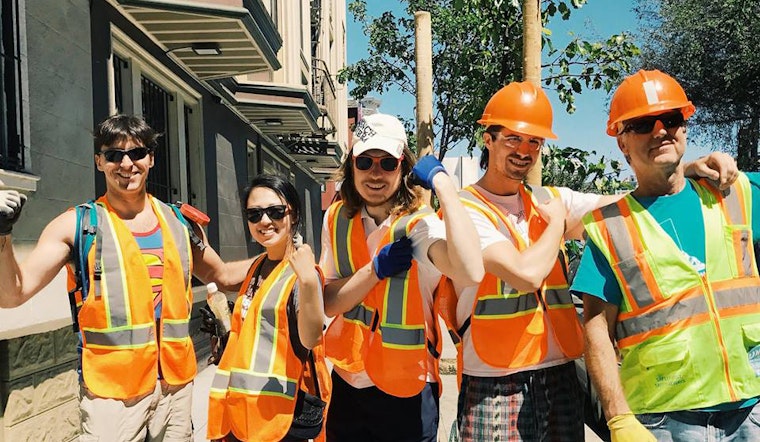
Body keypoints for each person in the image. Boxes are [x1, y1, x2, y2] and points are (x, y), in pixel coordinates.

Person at [445, 80, 740, 442]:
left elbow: (628, 206)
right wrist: (556, 223)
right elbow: (525, 274)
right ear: (487, 140)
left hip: (559, 373)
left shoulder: (548, 198)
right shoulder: (465, 210)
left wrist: (685, 169)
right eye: (512, 139)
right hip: (495, 378)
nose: (524, 150)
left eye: (534, 141)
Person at [0, 115, 254, 442]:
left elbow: (224, 275)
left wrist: (283, 258)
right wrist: (4, 235)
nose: (126, 164)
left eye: (136, 153)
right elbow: (12, 294)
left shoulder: (179, 223)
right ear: (98, 161)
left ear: (151, 158)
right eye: (113, 155)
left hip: (174, 390)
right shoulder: (77, 225)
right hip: (111, 396)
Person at [571, 69, 760, 442]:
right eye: (643, 124)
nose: (660, 130)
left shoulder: (736, 191)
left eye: (671, 119)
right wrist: (618, 418)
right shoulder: (610, 228)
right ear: (622, 143)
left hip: (750, 411)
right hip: (665, 419)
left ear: (685, 129)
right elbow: (595, 332)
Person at [319, 113, 484, 441]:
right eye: (365, 161)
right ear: (351, 167)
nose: (375, 173)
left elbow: (471, 269)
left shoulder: (420, 228)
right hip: (348, 385)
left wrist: (443, 184)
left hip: (407, 391)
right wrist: (373, 272)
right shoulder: (336, 219)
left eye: (388, 163)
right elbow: (328, 302)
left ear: (404, 167)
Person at [206, 175, 330, 442]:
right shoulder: (256, 267)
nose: (264, 221)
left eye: (275, 212)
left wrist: (308, 280)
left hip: (279, 419)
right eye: (254, 214)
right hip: (241, 414)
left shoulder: (301, 274)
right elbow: (222, 276)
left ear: (293, 215)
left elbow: (310, 338)